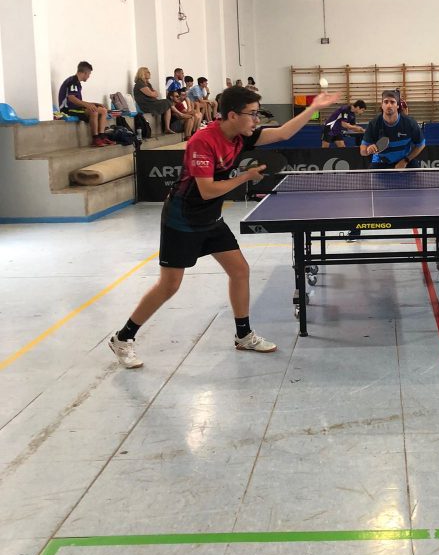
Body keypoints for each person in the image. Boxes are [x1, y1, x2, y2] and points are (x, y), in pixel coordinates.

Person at [108, 85, 340, 368]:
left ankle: (243, 335)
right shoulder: (203, 141)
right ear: (232, 115)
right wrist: (245, 177)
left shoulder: (241, 135)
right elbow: (207, 190)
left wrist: (314, 108)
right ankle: (123, 337)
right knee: (169, 286)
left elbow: (283, 133)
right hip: (182, 219)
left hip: (211, 219)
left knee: (240, 270)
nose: (256, 120)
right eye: (252, 114)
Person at [344, 91, 425, 240]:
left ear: (397, 105)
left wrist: (405, 160)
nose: (389, 105)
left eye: (392, 102)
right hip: (381, 161)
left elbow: (421, 145)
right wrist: (368, 150)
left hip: (405, 160)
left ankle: (430, 224)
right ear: (381, 105)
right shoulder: (374, 124)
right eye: (386, 102)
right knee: (367, 195)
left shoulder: (409, 123)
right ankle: (355, 230)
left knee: (419, 193)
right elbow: (362, 151)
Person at [58, 60, 113, 147]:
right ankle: (95, 138)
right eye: (89, 74)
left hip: (75, 108)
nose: (89, 76)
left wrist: (94, 103)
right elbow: (71, 98)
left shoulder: (76, 82)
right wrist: (88, 105)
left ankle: (102, 137)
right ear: (85, 73)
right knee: (94, 111)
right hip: (68, 109)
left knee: (103, 110)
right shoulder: (73, 81)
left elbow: (78, 100)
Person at [133, 67, 173, 134]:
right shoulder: (139, 84)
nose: (150, 73)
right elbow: (152, 94)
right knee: (167, 102)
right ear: (143, 73)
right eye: (148, 72)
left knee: (167, 103)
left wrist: (154, 93)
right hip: (146, 105)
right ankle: (179, 114)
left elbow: (155, 94)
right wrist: (154, 93)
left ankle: (167, 128)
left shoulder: (148, 84)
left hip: (152, 102)